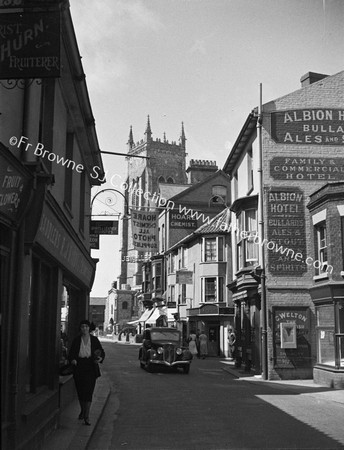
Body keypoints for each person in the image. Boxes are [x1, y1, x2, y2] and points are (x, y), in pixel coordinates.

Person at [69, 319, 105, 426]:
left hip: (90, 366)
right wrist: (73, 359)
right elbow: (71, 353)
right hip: (79, 366)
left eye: (86, 327)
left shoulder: (94, 340)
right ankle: (83, 410)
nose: (84, 329)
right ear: (80, 329)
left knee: (89, 391)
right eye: (82, 327)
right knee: (80, 391)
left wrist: (100, 358)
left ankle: (87, 416)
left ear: (89, 328)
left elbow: (101, 351)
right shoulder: (76, 340)